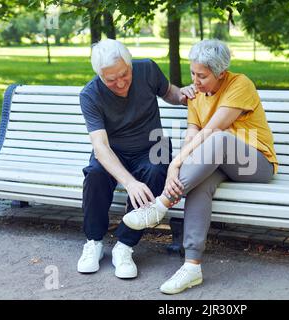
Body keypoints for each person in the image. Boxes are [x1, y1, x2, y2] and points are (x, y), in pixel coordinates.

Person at [123, 39, 278, 294]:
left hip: (255, 163)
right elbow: (192, 136)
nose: (195, 80)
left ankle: (160, 205)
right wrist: (181, 164)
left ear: (221, 73)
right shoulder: (196, 95)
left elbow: (212, 130)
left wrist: (174, 163)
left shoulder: (240, 84)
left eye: (202, 76)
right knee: (199, 185)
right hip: (220, 162)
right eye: (193, 73)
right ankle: (192, 266)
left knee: (218, 138)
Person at [77, 39, 194, 279]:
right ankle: (94, 242)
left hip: (153, 143)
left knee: (156, 171)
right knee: (96, 174)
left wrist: (184, 94)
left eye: (124, 74)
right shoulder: (90, 94)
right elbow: (100, 146)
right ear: (99, 74)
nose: (120, 83)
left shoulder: (147, 69)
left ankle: (124, 246)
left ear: (130, 65)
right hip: (114, 150)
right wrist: (130, 183)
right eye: (111, 80)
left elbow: (169, 92)